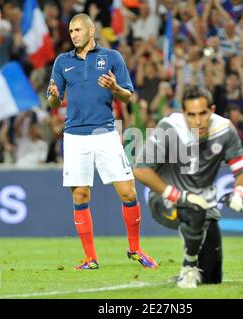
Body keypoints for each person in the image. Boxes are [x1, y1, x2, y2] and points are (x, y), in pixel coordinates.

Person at [46, 13, 157, 270]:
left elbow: (127, 96)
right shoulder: (62, 62)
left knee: (128, 191)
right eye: (71, 31)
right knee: (81, 195)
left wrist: (115, 88)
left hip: (105, 133)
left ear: (91, 31)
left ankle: (135, 249)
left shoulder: (112, 58)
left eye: (77, 30)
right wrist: (53, 97)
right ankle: (90, 258)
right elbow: (53, 101)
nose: (73, 34)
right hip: (74, 136)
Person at [133, 86, 243, 288]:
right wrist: (179, 196)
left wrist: (239, 194)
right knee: (193, 208)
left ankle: (193, 269)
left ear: (212, 110)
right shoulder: (169, 127)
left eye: (203, 113)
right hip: (166, 199)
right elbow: (141, 170)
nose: (198, 121)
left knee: (211, 278)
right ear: (183, 112)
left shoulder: (225, 130)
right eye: (191, 115)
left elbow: (242, 170)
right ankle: (188, 267)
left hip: (204, 202)